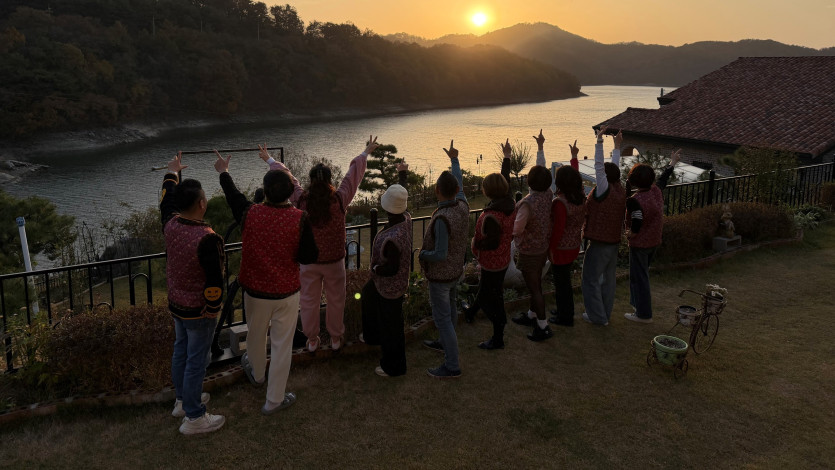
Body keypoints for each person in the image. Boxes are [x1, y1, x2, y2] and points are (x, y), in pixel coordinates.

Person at [216, 151, 319, 415]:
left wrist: (224, 172)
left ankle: (258, 374)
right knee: (282, 345)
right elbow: (310, 256)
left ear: (265, 190)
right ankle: (274, 400)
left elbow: (233, 196)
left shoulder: (250, 213)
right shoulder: (300, 218)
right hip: (287, 292)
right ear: (289, 193)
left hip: (255, 291)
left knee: (256, 334)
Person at [263, 138, 376, 352]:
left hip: (309, 263)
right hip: (334, 262)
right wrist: (365, 153)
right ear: (330, 180)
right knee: (336, 300)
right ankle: (335, 338)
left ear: (311, 180)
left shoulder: (301, 201)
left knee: (308, 301)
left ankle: (312, 340)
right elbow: (352, 177)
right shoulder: (340, 199)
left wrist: (270, 160)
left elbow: (289, 178)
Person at [159, 152, 226, 435]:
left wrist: (172, 173)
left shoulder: (170, 224)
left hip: (177, 304)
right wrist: (213, 308)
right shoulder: (207, 238)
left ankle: (182, 401)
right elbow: (215, 281)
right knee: (197, 360)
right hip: (199, 310)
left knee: (181, 352)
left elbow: (165, 200)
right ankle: (195, 417)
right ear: (202, 204)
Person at [419, 140, 469, 379]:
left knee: (443, 318)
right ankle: (444, 343)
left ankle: (452, 365)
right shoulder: (463, 206)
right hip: (455, 270)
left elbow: (439, 254)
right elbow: (459, 184)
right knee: (451, 309)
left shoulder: (442, 219)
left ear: (437, 191)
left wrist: (422, 254)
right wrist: (454, 159)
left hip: (441, 276)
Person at [361, 161, 412, 377]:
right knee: (367, 294)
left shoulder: (393, 239)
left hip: (391, 286)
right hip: (385, 284)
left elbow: (391, 268)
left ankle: (395, 366)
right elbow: (401, 197)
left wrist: (375, 267)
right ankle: (373, 336)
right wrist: (402, 175)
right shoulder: (405, 218)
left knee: (392, 326)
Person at [623, 149, 681, 323]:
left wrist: (631, 233)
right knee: (642, 275)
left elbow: (637, 219)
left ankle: (643, 314)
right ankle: (638, 305)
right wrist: (672, 163)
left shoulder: (635, 200)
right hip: (654, 240)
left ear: (634, 181)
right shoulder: (655, 191)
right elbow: (663, 179)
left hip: (640, 244)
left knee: (639, 278)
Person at [469, 139, 516, 349]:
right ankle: (471, 312)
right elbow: (504, 180)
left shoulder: (492, 215)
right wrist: (507, 157)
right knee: (489, 290)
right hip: (503, 258)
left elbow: (491, 242)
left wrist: (476, 243)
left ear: (488, 191)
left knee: (491, 299)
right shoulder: (508, 203)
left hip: (492, 262)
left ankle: (498, 333)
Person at [511, 130, 554, 341]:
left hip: (529, 250)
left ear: (529, 181)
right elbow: (542, 171)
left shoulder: (527, 203)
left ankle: (543, 326)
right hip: (543, 247)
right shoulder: (548, 194)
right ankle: (531, 315)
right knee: (535, 283)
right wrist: (540, 148)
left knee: (534, 287)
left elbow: (517, 229)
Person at [581, 127, 626, 326]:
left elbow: (599, 167)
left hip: (599, 242)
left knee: (590, 279)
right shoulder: (618, 188)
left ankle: (597, 317)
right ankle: (604, 314)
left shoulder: (604, 188)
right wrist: (617, 147)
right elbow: (612, 169)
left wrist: (599, 142)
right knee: (608, 280)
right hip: (613, 241)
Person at [547, 142, 585, 327]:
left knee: (562, 283)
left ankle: (565, 316)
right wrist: (574, 158)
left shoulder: (560, 203)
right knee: (564, 281)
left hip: (561, 249)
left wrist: (551, 249)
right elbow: (574, 177)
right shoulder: (579, 197)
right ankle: (563, 310)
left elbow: (557, 230)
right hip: (574, 245)